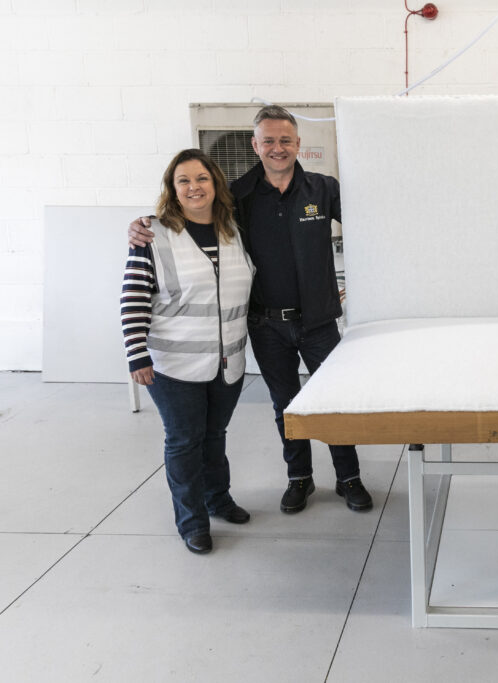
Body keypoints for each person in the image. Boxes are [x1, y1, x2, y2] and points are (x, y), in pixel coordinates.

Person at [130, 105, 372, 515]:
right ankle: (300, 478)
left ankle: (349, 478)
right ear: (255, 145)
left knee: (334, 401)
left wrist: (365, 288)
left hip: (319, 324)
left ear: (298, 144)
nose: (278, 148)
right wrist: (141, 225)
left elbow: (373, 229)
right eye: (269, 141)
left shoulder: (324, 189)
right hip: (266, 326)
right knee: (286, 405)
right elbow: (193, 219)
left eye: (286, 140)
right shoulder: (237, 197)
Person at [121, 149, 254, 554]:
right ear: (172, 188)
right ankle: (192, 521)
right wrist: (136, 354)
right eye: (184, 180)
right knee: (184, 441)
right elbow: (133, 296)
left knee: (214, 436)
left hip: (227, 362)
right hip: (173, 365)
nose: (194, 187)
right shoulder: (154, 234)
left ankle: (218, 500)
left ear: (215, 184)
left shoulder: (233, 230)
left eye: (201, 179)